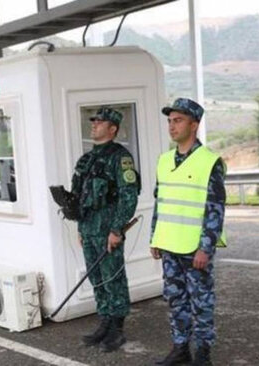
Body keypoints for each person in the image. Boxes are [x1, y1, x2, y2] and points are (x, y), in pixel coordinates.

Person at [150, 98, 226, 366]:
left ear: (194, 125)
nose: (172, 126)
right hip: (169, 243)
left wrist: (206, 247)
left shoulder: (209, 161)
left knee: (201, 302)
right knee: (175, 300)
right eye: (170, 121)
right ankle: (181, 348)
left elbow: (215, 208)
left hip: (195, 249)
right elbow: (161, 203)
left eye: (178, 120)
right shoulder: (164, 160)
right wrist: (155, 237)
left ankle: (203, 354)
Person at [71, 107, 139, 352]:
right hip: (89, 229)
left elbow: (128, 196)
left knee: (113, 277)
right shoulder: (86, 159)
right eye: (94, 121)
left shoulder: (120, 158)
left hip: (108, 230)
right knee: (96, 278)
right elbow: (79, 197)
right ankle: (104, 321)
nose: (95, 125)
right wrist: (80, 227)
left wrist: (117, 229)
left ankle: (117, 329)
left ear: (113, 129)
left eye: (100, 122)